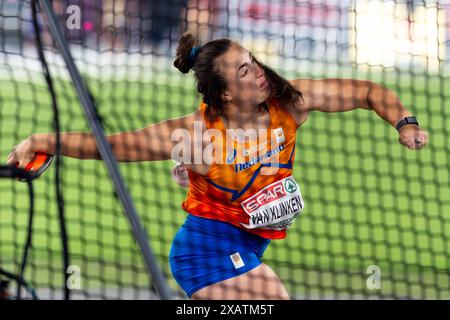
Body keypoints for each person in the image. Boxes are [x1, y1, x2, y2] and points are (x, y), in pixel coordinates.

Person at [7, 32, 429, 300]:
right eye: (244, 70)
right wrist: (44, 141)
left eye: (253, 60)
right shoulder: (197, 137)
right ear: (225, 94)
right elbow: (113, 146)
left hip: (248, 248)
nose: (259, 72)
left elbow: (367, 91)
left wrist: (404, 122)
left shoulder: (290, 104)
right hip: (206, 254)